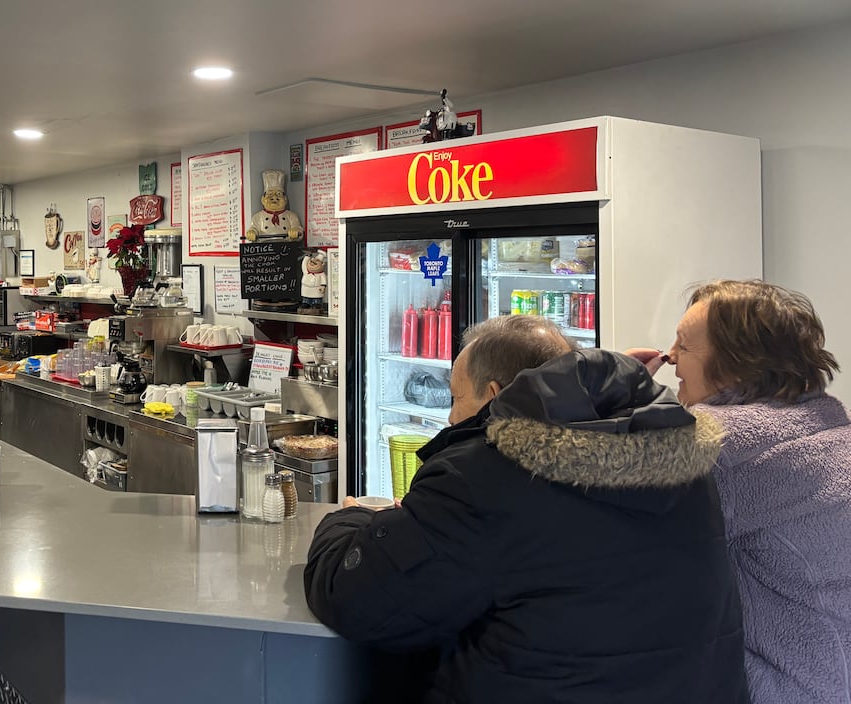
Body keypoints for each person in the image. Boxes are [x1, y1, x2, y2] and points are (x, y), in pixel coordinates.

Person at [305, 315, 748, 704]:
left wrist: (349, 518)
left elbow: (357, 599)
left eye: (456, 399)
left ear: (493, 394)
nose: (451, 419)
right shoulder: (680, 461)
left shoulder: (481, 475)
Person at [633, 279, 850, 704]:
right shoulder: (828, 421)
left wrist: (606, 387)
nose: (670, 356)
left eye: (683, 345)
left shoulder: (723, 448)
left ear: (738, 363)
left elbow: (593, 501)